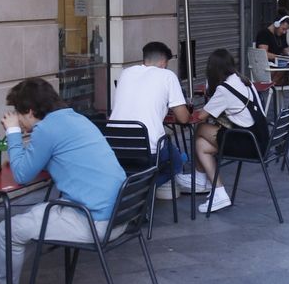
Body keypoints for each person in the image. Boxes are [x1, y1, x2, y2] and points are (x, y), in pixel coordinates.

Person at [0, 78, 125, 284]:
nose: (18, 120)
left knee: (7, 231)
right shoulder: (76, 118)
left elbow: (21, 176)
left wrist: (13, 132)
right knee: (28, 222)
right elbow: (63, 157)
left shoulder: (46, 129)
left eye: (17, 115)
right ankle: (4, 278)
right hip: (119, 214)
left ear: (29, 111)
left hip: (94, 222)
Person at [109, 41, 190, 182]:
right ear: (164, 62)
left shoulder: (125, 73)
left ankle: (132, 188)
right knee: (176, 163)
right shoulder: (167, 76)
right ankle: (140, 191)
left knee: (165, 151)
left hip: (114, 146)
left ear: (144, 60)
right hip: (148, 151)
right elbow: (183, 118)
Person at [190, 50, 256, 212]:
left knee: (200, 128)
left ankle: (199, 178)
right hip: (258, 139)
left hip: (247, 143)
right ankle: (219, 193)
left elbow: (201, 115)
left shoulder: (225, 89)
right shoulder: (244, 81)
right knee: (201, 145)